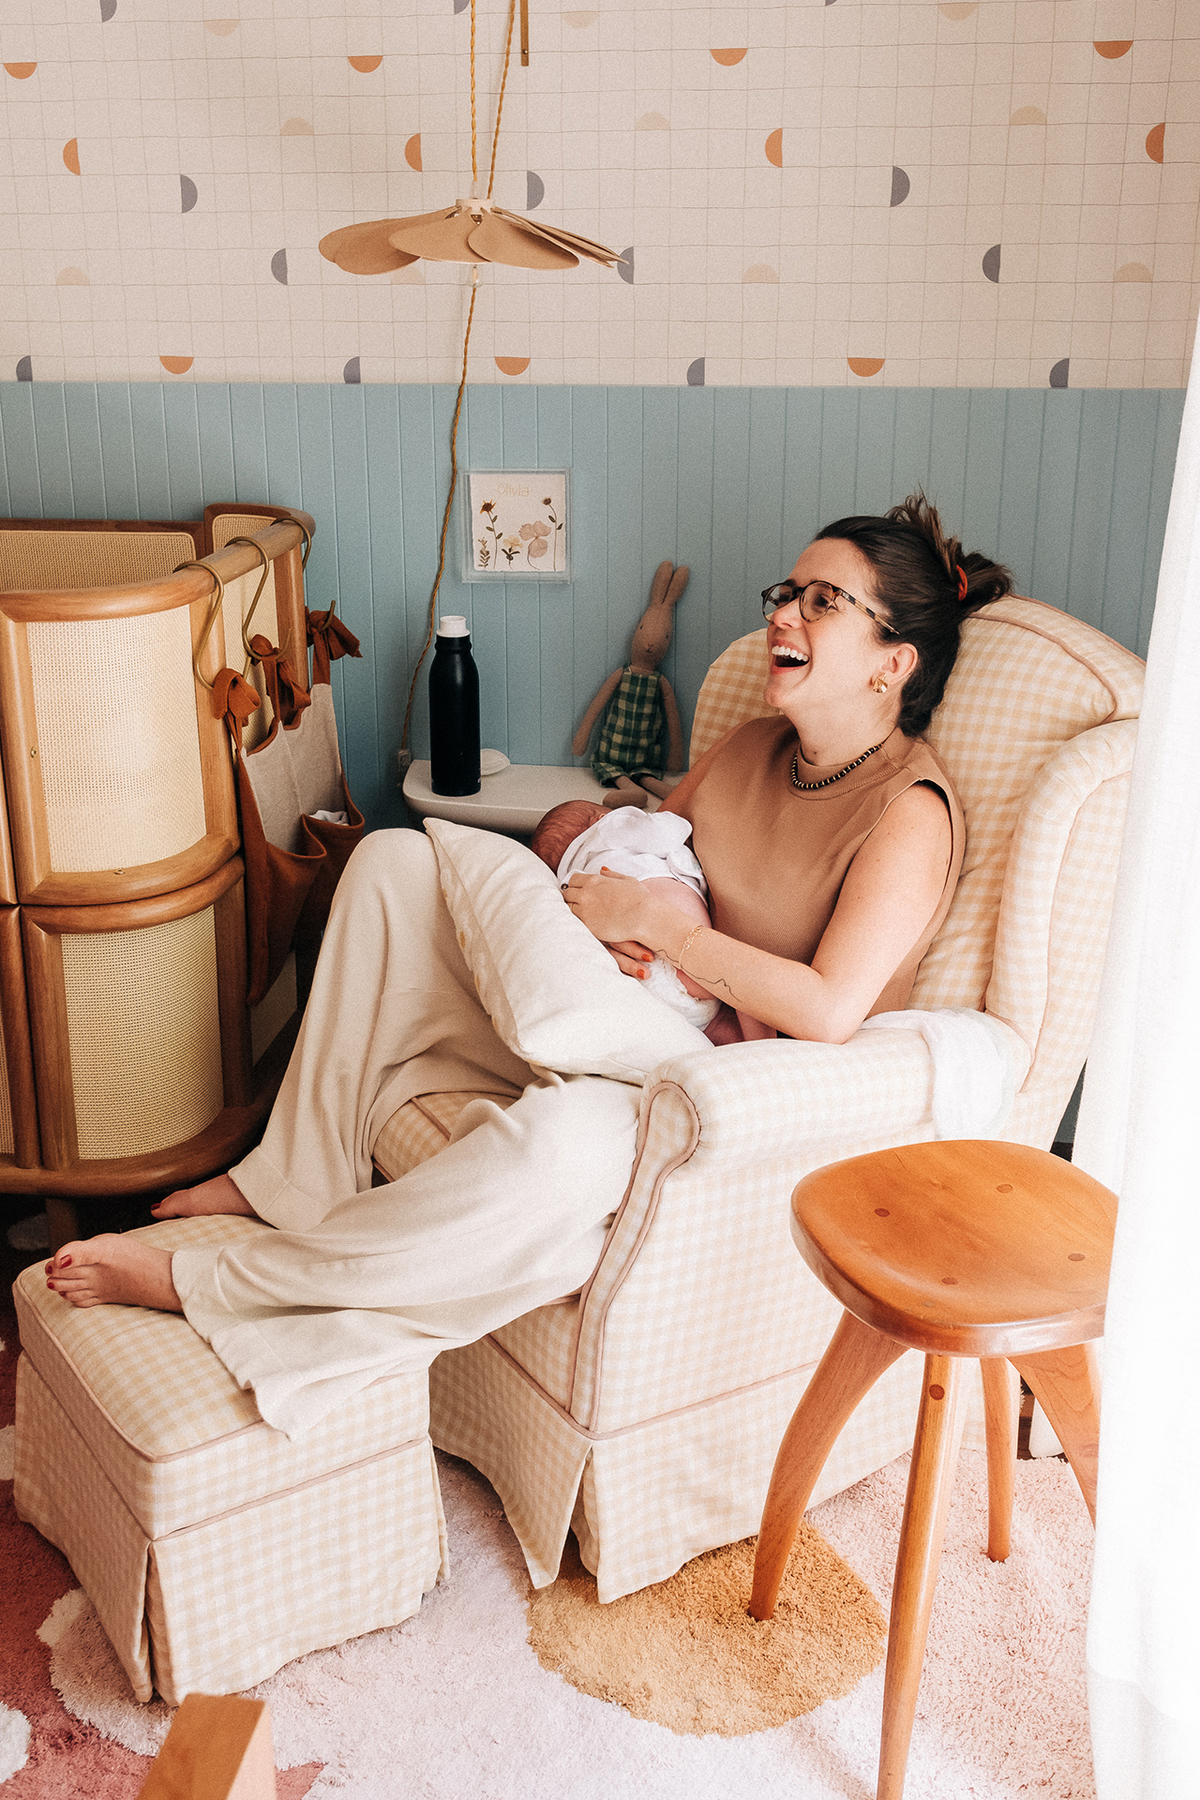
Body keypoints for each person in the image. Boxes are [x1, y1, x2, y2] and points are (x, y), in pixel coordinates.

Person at [45, 494, 1012, 1439]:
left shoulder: (909, 812)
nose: (783, 615)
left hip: (725, 1085)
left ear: (892, 663)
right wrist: (603, 901)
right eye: (787, 592)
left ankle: (208, 1282)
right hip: (626, 1014)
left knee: (560, 1151)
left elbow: (830, 1010)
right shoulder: (754, 745)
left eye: (822, 602)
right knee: (392, 864)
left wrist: (662, 931)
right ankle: (287, 1180)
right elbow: (648, 841)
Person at [530, 798, 775, 1042]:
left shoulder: (574, 880)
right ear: (599, 817)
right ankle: (765, 1046)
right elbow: (666, 832)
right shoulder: (608, 830)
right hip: (683, 951)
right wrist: (667, 822)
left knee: (707, 1029)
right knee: (743, 983)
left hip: (644, 981)